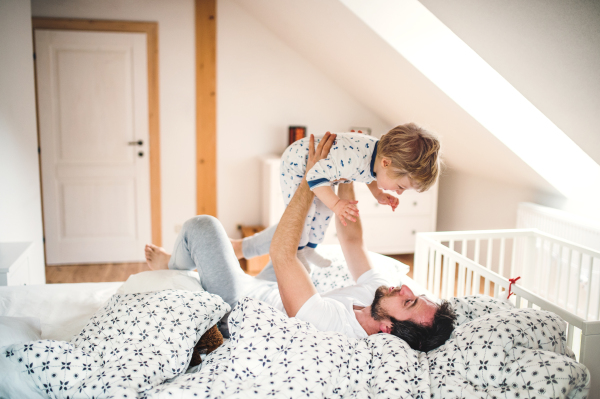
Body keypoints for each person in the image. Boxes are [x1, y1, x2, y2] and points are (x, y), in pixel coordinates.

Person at [145, 132, 455, 352]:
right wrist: (345, 173)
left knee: (204, 226)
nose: (406, 288)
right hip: (275, 291)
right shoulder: (379, 299)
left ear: (388, 329)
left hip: (242, 305)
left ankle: (174, 269)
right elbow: (352, 240)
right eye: (416, 294)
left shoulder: (334, 327)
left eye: (409, 301)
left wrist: (313, 176)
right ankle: (238, 249)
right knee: (306, 235)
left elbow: (282, 254)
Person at [280, 124, 440, 271]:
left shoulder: (379, 157)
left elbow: (368, 174)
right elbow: (314, 175)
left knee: (324, 211)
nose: (398, 193)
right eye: (401, 187)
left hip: (324, 171)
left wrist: (378, 194)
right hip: (297, 165)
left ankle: (309, 249)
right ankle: (298, 251)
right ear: (386, 163)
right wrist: (336, 204)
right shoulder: (354, 159)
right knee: (305, 211)